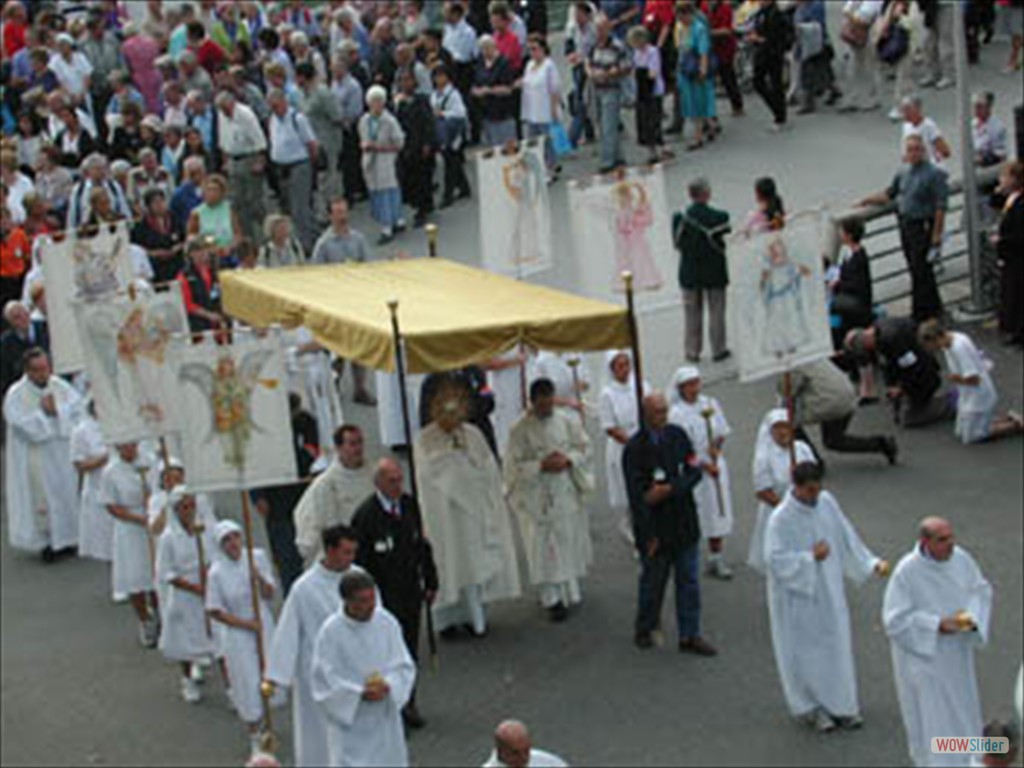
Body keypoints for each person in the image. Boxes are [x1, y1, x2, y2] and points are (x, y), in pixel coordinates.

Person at [765, 461, 889, 733]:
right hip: (800, 598)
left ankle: (843, 705)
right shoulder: (781, 518)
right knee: (806, 651)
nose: (815, 496)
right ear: (796, 487)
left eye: (818, 489)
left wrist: (869, 562)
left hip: (829, 591)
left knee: (836, 644)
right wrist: (810, 558)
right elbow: (774, 561)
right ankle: (813, 707)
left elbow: (845, 535)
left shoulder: (826, 502)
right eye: (809, 491)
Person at [883, 516, 993, 767]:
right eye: (943, 540)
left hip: (956, 657)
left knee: (963, 712)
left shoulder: (961, 559)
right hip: (925, 664)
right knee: (935, 721)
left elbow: (980, 589)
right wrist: (936, 625)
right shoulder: (907, 572)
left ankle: (972, 759)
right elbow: (894, 621)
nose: (951, 544)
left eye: (951, 537)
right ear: (925, 542)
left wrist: (972, 618)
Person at [414, 397, 521, 638]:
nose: (452, 422)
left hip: (472, 512)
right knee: (447, 563)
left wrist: (468, 471)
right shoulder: (424, 440)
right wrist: (455, 465)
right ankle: (446, 621)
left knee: (472, 563)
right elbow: (426, 474)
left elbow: (488, 466)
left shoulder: (472, 434)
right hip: (444, 515)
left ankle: (476, 617)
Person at [266, 525, 369, 768]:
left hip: (354, 668)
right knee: (320, 737)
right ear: (330, 551)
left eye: (354, 552)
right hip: (317, 674)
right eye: (346, 552)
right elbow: (288, 632)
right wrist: (276, 676)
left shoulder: (360, 578)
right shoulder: (305, 588)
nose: (351, 559)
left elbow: (376, 618)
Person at [622, 392, 715, 654]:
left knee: (689, 582)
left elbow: (694, 470)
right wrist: (646, 534)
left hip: (684, 521)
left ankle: (690, 633)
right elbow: (636, 497)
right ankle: (645, 626)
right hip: (656, 529)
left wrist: (672, 488)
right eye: (657, 412)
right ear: (645, 415)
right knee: (653, 582)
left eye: (665, 411)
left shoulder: (678, 436)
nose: (663, 417)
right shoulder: (634, 449)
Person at [351, 458, 438, 729]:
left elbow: (421, 543)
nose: (398, 485)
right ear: (378, 483)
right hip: (383, 597)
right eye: (392, 480)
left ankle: (409, 702)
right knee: (385, 656)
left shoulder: (409, 505)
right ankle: (391, 709)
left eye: (400, 479)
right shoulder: (366, 516)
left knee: (408, 653)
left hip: (410, 590)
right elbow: (361, 563)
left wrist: (431, 579)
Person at [505, 379, 594, 623]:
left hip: (563, 489)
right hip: (538, 497)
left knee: (566, 541)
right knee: (544, 548)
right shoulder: (519, 430)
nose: (547, 409)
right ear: (532, 402)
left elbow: (584, 447)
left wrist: (567, 460)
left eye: (550, 402)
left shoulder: (567, 420)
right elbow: (513, 468)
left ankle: (569, 590)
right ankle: (550, 598)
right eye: (541, 405)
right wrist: (541, 465)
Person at [311, 570, 416, 767]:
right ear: (346, 600)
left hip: (384, 722)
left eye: (372, 599)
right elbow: (324, 680)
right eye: (362, 601)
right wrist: (358, 693)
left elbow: (403, 665)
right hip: (351, 725)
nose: (369, 607)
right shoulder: (331, 633)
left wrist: (390, 685)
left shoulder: (386, 622)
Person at [207, 519, 284, 757]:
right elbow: (215, 610)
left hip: (262, 624)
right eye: (226, 540)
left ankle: (268, 728)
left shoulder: (256, 557)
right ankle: (254, 734)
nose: (233, 544)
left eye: (235, 537)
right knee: (248, 682)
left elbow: (270, 594)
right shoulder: (216, 573)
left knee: (268, 677)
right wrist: (245, 624)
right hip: (238, 631)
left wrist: (258, 577)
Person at [3, 348, 82, 563]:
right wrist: (43, 414)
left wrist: (59, 411)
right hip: (37, 456)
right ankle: (49, 544)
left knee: (65, 494)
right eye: (37, 370)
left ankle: (69, 539)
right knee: (44, 498)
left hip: (61, 452)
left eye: (46, 368)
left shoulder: (59, 385)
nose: (43, 374)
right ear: (27, 371)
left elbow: (78, 410)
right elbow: (19, 423)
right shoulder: (16, 393)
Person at [859, 135, 949, 322]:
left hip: (922, 225)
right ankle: (934, 308)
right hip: (905, 224)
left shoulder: (934, 174)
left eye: (916, 149)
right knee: (915, 268)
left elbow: (941, 206)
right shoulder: (903, 172)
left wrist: (936, 234)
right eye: (909, 149)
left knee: (921, 270)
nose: (913, 153)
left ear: (923, 151)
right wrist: (866, 200)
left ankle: (920, 313)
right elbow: (889, 194)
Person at [668, 366, 735, 579]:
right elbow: (682, 450)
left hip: (716, 465)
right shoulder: (676, 414)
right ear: (681, 388)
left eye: (696, 383)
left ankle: (716, 556)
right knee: (698, 512)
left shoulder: (710, 404)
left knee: (718, 511)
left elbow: (721, 430)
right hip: (695, 469)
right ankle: (689, 558)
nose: (694, 389)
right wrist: (704, 465)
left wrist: (716, 448)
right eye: (689, 385)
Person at [156, 486, 219, 705]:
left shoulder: (205, 530)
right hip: (184, 593)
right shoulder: (168, 538)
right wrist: (194, 588)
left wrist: (210, 579)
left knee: (217, 637)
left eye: (192, 505)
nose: (189, 510)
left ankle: (232, 688)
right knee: (184, 640)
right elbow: (166, 572)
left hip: (208, 587)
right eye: (184, 507)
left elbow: (215, 556)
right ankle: (187, 679)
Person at [252, 395, 319, 597]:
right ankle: (293, 597)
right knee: (286, 558)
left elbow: (314, 453)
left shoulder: (306, 422)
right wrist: (256, 496)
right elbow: (253, 463)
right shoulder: (261, 426)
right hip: (277, 502)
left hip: (304, 494)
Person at [917, 319, 1023, 444]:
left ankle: (1015, 426)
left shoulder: (958, 349)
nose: (930, 349)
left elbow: (975, 379)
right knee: (960, 431)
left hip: (979, 397)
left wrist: (957, 379)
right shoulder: (953, 338)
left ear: (935, 338)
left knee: (972, 436)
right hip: (969, 395)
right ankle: (1008, 419)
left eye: (928, 345)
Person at [844, 317, 953, 427]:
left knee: (910, 417)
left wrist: (901, 388)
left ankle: (950, 404)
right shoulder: (879, 328)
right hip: (917, 364)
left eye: (868, 349)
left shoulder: (893, 340)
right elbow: (888, 364)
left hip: (924, 371)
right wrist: (891, 384)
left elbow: (912, 368)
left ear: (867, 341)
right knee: (907, 406)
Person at [101, 440, 159, 646]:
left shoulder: (150, 462)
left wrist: (152, 506)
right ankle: (144, 620)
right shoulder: (111, 472)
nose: (130, 449)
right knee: (135, 577)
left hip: (153, 520)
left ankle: (161, 614)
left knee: (156, 572)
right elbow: (111, 505)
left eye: (132, 444)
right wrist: (138, 519)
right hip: (129, 527)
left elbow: (160, 487)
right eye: (125, 445)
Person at [786, 358, 899, 463]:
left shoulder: (794, 366)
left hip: (829, 402)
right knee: (833, 440)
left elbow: (788, 391)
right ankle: (882, 444)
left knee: (788, 422)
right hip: (846, 396)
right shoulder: (816, 358)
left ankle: (811, 461)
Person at [748, 408, 816, 573]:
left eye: (786, 426)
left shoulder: (801, 449)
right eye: (778, 428)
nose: (783, 432)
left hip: (805, 506)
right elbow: (763, 491)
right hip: (778, 510)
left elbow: (814, 475)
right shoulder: (764, 456)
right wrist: (788, 508)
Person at [673, 178, 731, 363]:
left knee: (691, 314)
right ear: (707, 194)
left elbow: (678, 244)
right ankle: (718, 349)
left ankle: (692, 351)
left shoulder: (679, 219)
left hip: (689, 272)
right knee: (716, 312)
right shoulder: (720, 217)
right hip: (714, 271)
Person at [599, 350, 648, 546]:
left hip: (643, 440)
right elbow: (610, 427)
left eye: (627, 364)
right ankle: (633, 527)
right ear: (612, 369)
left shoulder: (641, 385)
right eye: (619, 366)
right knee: (629, 488)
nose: (625, 370)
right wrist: (632, 444)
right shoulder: (607, 394)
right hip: (623, 445)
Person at [268, 88, 319, 254]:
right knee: (288, 207)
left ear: (284, 102)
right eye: (271, 106)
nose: (274, 110)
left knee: (300, 207)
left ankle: (307, 244)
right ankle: (309, 236)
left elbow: (311, 143)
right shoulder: (272, 120)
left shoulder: (298, 119)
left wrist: (310, 164)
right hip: (282, 167)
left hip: (299, 165)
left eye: (276, 105)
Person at [216, 90, 267, 246]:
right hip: (233, 159)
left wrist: (260, 160)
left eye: (226, 108)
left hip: (249, 158)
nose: (225, 112)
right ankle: (246, 238)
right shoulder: (221, 115)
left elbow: (259, 138)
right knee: (237, 202)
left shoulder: (245, 114)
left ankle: (263, 237)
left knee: (254, 202)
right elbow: (223, 138)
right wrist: (225, 160)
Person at [295, 62, 344, 223]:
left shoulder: (323, 93)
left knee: (328, 178)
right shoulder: (303, 94)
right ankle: (323, 210)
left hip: (327, 140)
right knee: (318, 179)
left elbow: (337, 115)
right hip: (311, 142)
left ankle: (331, 211)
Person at [359, 84, 407, 245]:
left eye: (379, 101)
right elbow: (362, 138)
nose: (376, 105)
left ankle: (388, 226)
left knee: (387, 191)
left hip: (386, 159)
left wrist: (380, 147)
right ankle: (394, 219)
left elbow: (399, 143)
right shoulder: (364, 120)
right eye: (373, 101)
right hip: (370, 160)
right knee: (376, 192)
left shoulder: (389, 121)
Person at [587, 14, 631, 172]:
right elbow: (588, 61)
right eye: (596, 29)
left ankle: (607, 161)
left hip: (611, 88)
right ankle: (619, 157)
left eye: (600, 28)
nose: (598, 32)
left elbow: (626, 65)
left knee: (608, 125)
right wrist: (590, 71)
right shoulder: (594, 46)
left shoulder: (617, 45)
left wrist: (612, 72)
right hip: (596, 88)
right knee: (603, 123)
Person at [395, 67, 438, 228]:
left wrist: (428, 143)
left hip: (420, 144)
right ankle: (418, 204)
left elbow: (428, 123)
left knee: (423, 177)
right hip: (406, 145)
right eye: (402, 80)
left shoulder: (422, 100)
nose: (405, 83)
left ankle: (423, 208)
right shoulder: (399, 102)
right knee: (410, 177)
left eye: (408, 80)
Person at [69, 400, 111, 562]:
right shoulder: (81, 431)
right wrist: (105, 457)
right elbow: (79, 464)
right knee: (107, 545)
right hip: (97, 489)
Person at [519, 34, 563, 178]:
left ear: (543, 49)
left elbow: (554, 89)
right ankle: (541, 167)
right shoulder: (529, 65)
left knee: (548, 141)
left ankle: (551, 168)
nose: (532, 52)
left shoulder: (549, 65)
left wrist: (553, 110)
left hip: (545, 110)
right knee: (534, 141)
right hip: (532, 110)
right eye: (530, 49)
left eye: (535, 49)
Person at [675, 2, 716, 150]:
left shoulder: (699, 28)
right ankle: (711, 125)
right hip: (686, 69)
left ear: (688, 14)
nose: (681, 21)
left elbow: (703, 51)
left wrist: (703, 70)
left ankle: (697, 137)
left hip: (696, 69)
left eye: (682, 17)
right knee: (694, 102)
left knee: (696, 103)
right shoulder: (682, 28)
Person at [431, 66, 472, 209]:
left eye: (441, 76)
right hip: (443, 132)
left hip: (455, 133)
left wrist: (442, 114)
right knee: (452, 160)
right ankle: (464, 187)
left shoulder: (453, 94)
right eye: (436, 77)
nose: (438, 80)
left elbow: (460, 113)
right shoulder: (435, 94)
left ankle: (448, 194)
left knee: (450, 162)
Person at [747, 0, 790, 130]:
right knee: (758, 81)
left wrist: (758, 38)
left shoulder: (776, 14)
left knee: (775, 84)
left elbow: (775, 38)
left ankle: (780, 116)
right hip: (762, 53)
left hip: (773, 53)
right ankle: (777, 110)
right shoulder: (761, 12)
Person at [628, 25, 668, 163]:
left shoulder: (653, 51)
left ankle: (661, 147)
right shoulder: (636, 53)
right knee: (643, 121)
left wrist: (641, 74)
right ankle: (651, 150)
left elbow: (653, 72)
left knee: (654, 120)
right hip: (641, 90)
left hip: (653, 90)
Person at [994, 160, 1023, 348]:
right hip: (1011, 257)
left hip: (1018, 258)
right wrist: (1000, 190)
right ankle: (1015, 332)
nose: (1001, 179)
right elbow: (994, 200)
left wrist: (1001, 241)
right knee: (1012, 296)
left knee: (1019, 297)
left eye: (1005, 176)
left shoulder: (1020, 204)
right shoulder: (1012, 198)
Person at [187, 174, 243, 266]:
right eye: (209, 190)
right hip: (208, 255)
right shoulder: (196, 213)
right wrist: (209, 244)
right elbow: (191, 237)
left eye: (215, 190)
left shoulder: (229, 209)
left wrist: (231, 246)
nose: (212, 193)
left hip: (229, 253)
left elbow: (237, 233)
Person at [473, 35, 518, 148]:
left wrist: (489, 90)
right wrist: (476, 91)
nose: (485, 51)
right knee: (493, 146)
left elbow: (508, 88)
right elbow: (475, 82)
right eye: (482, 49)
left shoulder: (503, 63)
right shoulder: (480, 63)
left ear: (494, 46)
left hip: (503, 111)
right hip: (486, 112)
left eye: (487, 48)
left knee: (507, 146)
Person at [838, 1, 883, 113]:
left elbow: (864, 17)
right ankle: (854, 98)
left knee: (869, 66)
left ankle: (871, 99)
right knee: (853, 67)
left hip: (868, 32)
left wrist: (849, 14)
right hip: (855, 33)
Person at [177, 237, 226, 334]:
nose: (203, 253)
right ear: (191, 254)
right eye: (199, 251)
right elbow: (188, 304)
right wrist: (208, 315)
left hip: (215, 318)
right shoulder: (185, 276)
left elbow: (215, 293)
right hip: (197, 323)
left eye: (205, 250)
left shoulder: (211, 272)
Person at [0, 301, 46, 395]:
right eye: (16, 317)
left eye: (23, 314)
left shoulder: (45, 328)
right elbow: (6, 373)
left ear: (28, 313)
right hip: (23, 391)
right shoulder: (6, 343)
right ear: (10, 322)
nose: (22, 319)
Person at [482, 720, 568, 768]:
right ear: (501, 751)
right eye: (515, 753)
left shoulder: (548, 763)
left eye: (526, 750)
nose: (524, 758)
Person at [972, 92, 1009, 168]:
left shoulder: (997, 126)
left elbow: (1001, 154)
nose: (976, 110)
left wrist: (984, 159)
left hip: (991, 165)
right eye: (975, 107)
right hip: (976, 167)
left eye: (979, 107)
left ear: (988, 107)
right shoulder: (972, 124)